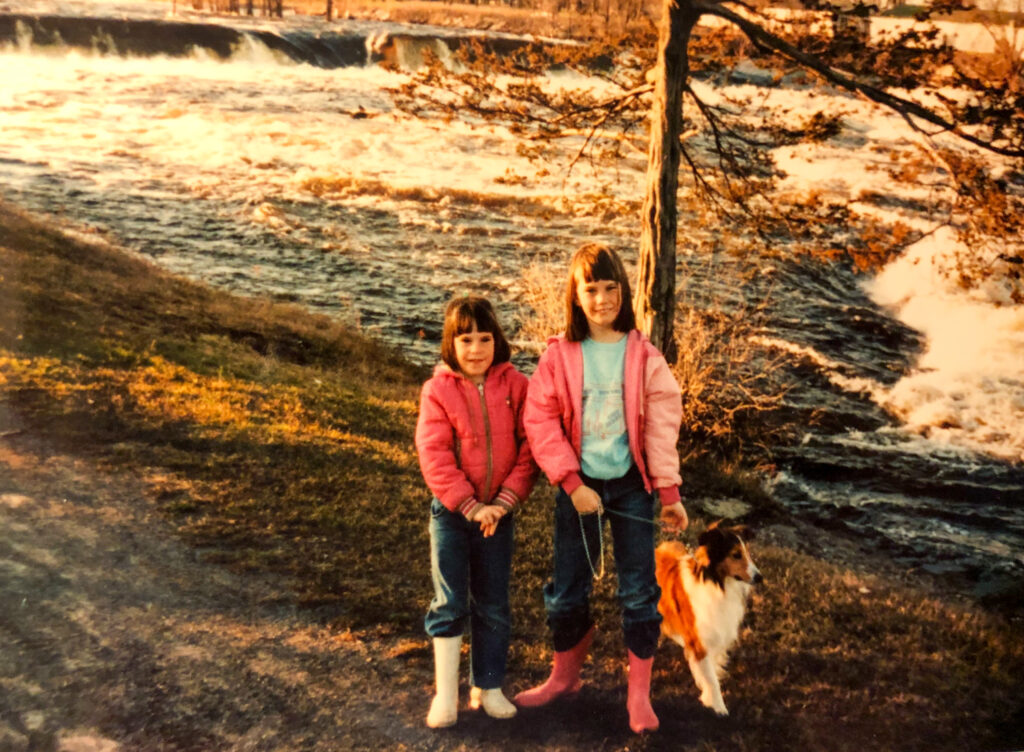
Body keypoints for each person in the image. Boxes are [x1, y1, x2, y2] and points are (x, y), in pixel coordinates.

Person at [516, 243, 688, 734]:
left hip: (632, 487)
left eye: (611, 288)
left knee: (639, 592)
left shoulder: (643, 355)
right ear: (575, 294)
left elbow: (661, 423)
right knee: (567, 591)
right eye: (590, 289)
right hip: (580, 489)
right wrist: (571, 483)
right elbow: (540, 419)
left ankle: (639, 695)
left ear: (624, 291)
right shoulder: (559, 356)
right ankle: (563, 678)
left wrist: (669, 492)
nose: (602, 299)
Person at [415, 295, 538, 729]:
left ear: (497, 340)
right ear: (451, 343)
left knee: (493, 604)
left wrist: (503, 502)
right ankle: (445, 696)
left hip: (498, 517)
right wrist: (470, 506)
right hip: (453, 514)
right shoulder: (438, 390)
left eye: (484, 338)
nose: (475, 349)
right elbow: (434, 456)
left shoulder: (518, 386)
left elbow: (530, 449)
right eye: (465, 339)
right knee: (449, 601)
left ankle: (488, 687)